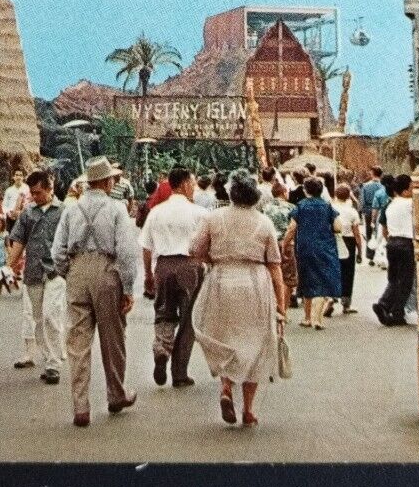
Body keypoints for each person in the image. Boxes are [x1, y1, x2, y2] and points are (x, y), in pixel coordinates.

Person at [50, 155, 141, 427]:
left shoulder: (71, 209)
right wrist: (127, 287)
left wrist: (70, 271)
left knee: (78, 342)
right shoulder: (116, 209)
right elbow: (126, 252)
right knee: (113, 337)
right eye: (112, 177)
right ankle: (116, 393)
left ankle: (80, 406)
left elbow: (57, 252)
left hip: (77, 271)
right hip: (107, 270)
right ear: (106, 181)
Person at [191, 172, 287, 427]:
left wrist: (213, 260)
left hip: (221, 281)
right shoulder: (264, 223)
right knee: (255, 345)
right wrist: (281, 304)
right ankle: (248, 410)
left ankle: (226, 387)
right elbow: (275, 266)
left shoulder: (213, 218)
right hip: (256, 283)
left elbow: (194, 250)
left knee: (226, 338)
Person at [139, 163, 208, 389]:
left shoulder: (157, 212)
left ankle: (161, 349)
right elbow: (207, 246)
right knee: (188, 319)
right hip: (190, 267)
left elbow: (147, 247)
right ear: (186, 184)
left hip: (164, 266)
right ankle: (179, 373)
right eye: (193, 184)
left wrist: (149, 274)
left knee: (164, 313)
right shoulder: (199, 213)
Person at [8, 170, 67, 385]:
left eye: (39, 192)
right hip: (33, 271)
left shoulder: (63, 212)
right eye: (32, 193)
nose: (35, 196)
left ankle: (53, 364)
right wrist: (8, 266)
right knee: (39, 318)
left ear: (50, 189)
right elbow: (18, 242)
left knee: (52, 314)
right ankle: (48, 355)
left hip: (56, 272)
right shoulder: (27, 213)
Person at [283, 175, 340, 328]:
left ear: (306, 190)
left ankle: (307, 317)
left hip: (304, 247)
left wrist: (284, 244)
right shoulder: (327, 206)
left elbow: (291, 228)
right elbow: (338, 227)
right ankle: (317, 319)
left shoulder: (300, 206)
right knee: (321, 280)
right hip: (325, 247)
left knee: (307, 279)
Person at [374, 175, 417, 325]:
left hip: (392, 242)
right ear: (405, 191)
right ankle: (397, 311)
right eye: (412, 187)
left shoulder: (390, 205)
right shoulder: (409, 204)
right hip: (406, 243)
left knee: (394, 278)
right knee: (405, 280)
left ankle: (384, 304)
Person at [330, 182, 365, 313]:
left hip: (333, 240)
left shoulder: (330, 209)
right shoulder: (352, 212)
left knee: (333, 269)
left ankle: (332, 298)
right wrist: (360, 251)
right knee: (348, 272)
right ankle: (346, 303)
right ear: (348, 196)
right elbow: (356, 233)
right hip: (348, 242)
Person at [359, 167, 388, 262]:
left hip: (368, 211)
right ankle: (382, 253)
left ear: (372, 173)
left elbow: (362, 201)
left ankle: (370, 256)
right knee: (381, 232)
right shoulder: (383, 186)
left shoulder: (365, 186)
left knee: (369, 233)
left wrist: (362, 212)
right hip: (382, 210)